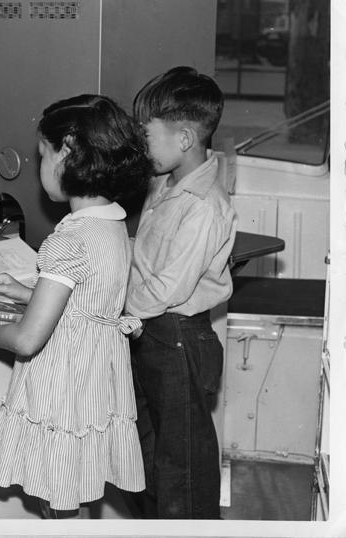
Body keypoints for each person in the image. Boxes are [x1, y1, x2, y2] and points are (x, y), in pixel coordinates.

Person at [0, 94, 153, 518]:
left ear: (68, 152)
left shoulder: (67, 240)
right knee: (80, 480)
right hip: (94, 376)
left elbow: (27, 339)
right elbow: (86, 297)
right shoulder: (112, 220)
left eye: (42, 154)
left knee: (55, 493)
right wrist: (24, 292)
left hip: (64, 382)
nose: (38, 167)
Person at [126, 66, 237, 519]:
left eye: (146, 135)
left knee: (182, 469)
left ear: (185, 138)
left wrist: (111, 306)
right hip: (152, 334)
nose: (141, 145)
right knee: (148, 455)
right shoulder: (164, 183)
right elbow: (144, 255)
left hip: (180, 340)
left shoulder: (204, 207)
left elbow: (169, 287)